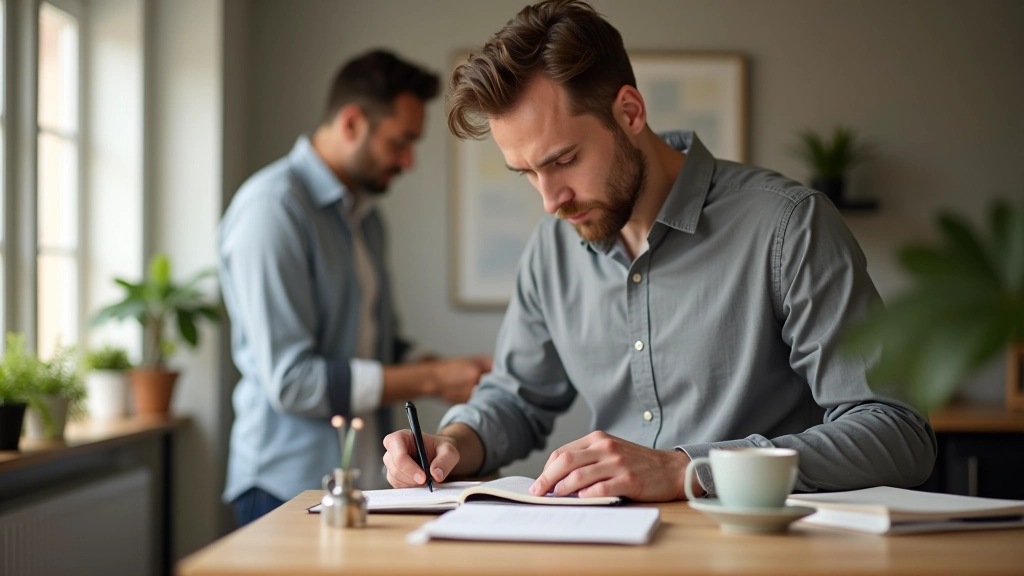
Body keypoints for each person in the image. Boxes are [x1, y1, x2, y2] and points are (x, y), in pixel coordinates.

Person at [382, 0, 935, 502]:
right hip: (610, 548)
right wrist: (452, 442)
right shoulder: (553, 248)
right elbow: (516, 399)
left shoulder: (789, 226)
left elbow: (896, 433)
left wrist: (688, 469)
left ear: (629, 112)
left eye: (564, 160)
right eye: (526, 172)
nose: (550, 201)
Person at [219, 49, 491, 526]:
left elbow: (376, 346)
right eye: (401, 142)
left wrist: (445, 369)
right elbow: (292, 381)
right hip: (285, 487)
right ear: (351, 123)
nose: (409, 161)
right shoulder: (272, 209)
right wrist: (431, 379)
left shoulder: (366, 219)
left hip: (361, 485)